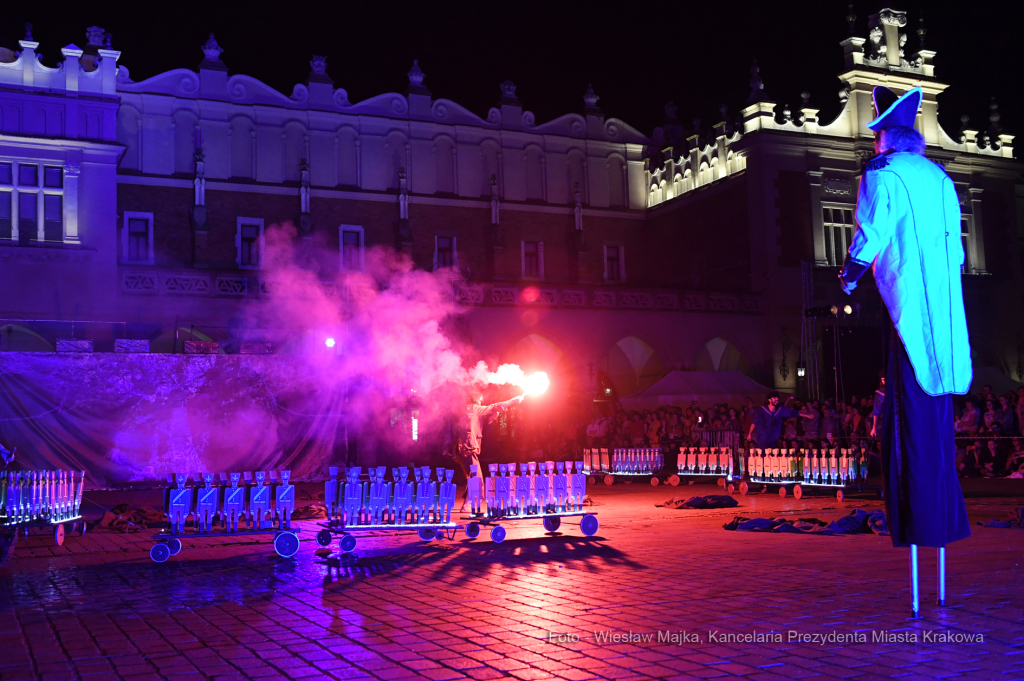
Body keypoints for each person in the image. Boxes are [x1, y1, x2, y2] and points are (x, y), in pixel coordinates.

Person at [839, 86, 972, 559]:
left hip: (907, 305)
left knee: (906, 407)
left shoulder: (881, 171)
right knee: (936, 408)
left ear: (885, 139)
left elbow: (871, 230)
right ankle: (941, 515)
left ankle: (918, 515)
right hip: (946, 303)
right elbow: (956, 248)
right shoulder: (940, 177)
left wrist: (851, 274)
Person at [457, 392, 525, 511]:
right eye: (480, 400)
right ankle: (467, 504)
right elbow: (493, 406)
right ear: (476, 400)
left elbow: (489, 416)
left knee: (474, 476)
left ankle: (467, 503)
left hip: (467, 448)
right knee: (476, 477)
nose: (481, 403)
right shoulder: (473, 408)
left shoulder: (469, 411)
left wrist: (496, 413)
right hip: (468, 448)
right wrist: (514, 400)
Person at [747, 392, 813, 450]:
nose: (776, 399)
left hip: (773, 438)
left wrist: (806, 415)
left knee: (772, 455)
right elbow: (754, 422)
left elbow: (793, 412)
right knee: (763, 455)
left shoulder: (780, 409)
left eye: (777, 398)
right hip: (763, 437)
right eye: (774, 398)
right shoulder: (762, 410)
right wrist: (750, 433)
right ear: (769, 400)